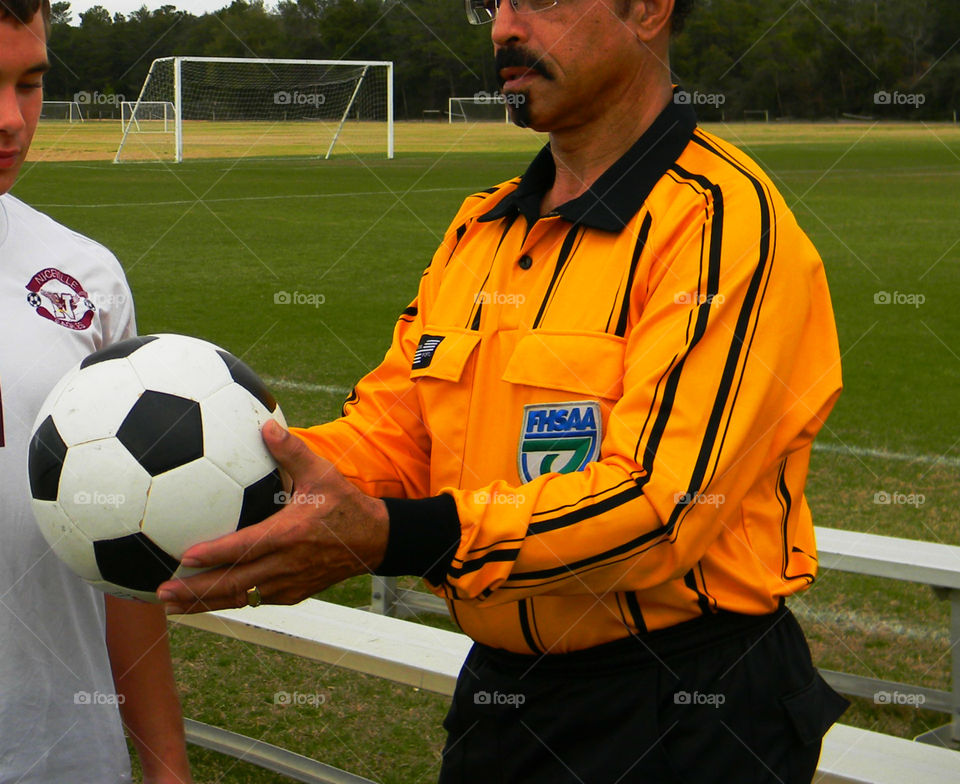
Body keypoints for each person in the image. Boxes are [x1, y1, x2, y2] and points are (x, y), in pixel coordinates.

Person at [159, 0, 849, 781]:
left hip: (685, 708)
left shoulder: (722, 225)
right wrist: (247, 473)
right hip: (503, 695)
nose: (504, 28)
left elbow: (660, 509)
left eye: (540, 0)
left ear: (649, 11)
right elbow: (393, 430)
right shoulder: (482, 229)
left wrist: (394, 535)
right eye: (493, 3)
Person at [0, 1, 193, 781]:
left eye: (31, 83)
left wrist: (168, 768)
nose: (11, 121)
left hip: (60, 754)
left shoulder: (81, 276)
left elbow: (121, 553)